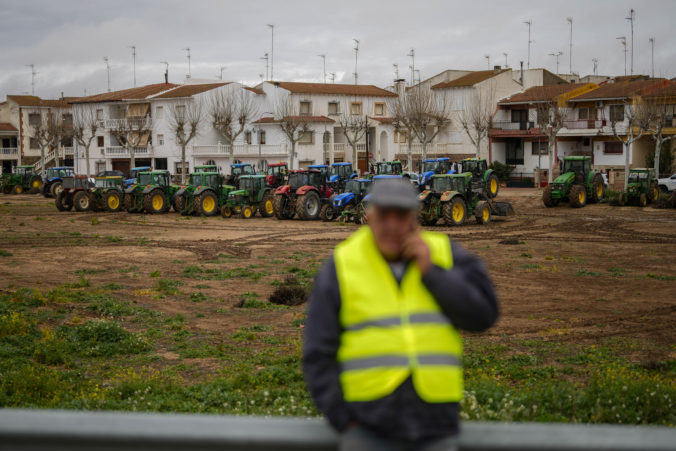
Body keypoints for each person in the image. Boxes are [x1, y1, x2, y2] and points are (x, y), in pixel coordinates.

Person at [303, 179, 499, 451]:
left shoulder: (444, 254)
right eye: (384, 215)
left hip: (435, 427)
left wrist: (432, 273)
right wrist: (344, 420)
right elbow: (317, 352)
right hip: (367, 428)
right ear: (370, 217)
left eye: (401, 215)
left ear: (415, 218)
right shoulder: (342, 265)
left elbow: (483, 315)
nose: (393, 225)